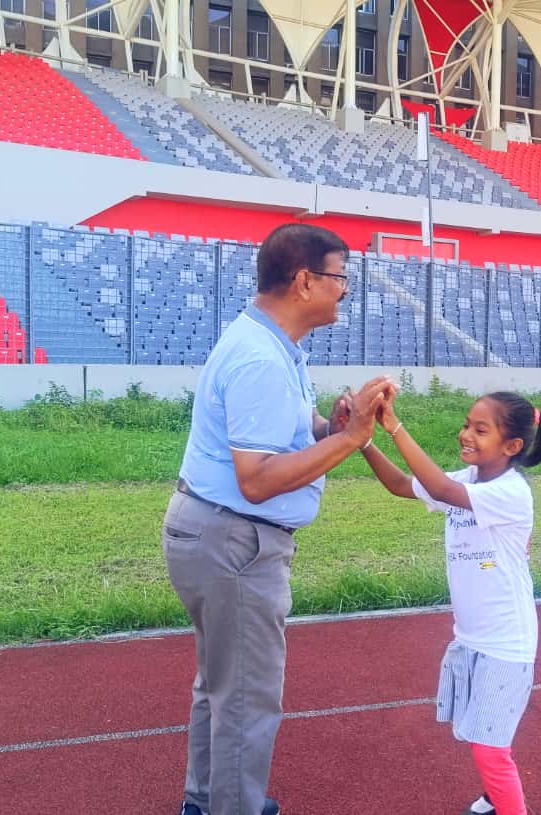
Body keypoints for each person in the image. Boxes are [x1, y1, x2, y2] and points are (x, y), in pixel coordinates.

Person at [162, 223, 393, 815]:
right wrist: (355, 438)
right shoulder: (262, 357)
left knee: (221, 688)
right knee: (246, 698)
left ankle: (207, 801)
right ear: (304, 281)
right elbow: (258, 479)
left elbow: (285, 433)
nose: (345, 290)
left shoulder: (271, 344)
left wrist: (329, 427)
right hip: (235, 540)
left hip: (216, 532)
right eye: (340, 277)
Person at [359, 390, 541, 815]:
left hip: (506, 642)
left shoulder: (511, 492)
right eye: (467, 423)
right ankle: (493, 795)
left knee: (489, 745)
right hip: (472, 637)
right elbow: (399, 485)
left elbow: (438, 486)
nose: (465, 434)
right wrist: (363, 441)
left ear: (512, 447)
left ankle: (508, 805)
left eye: (480, 429)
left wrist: (392, 425)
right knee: (480, 732)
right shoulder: (468, 481)